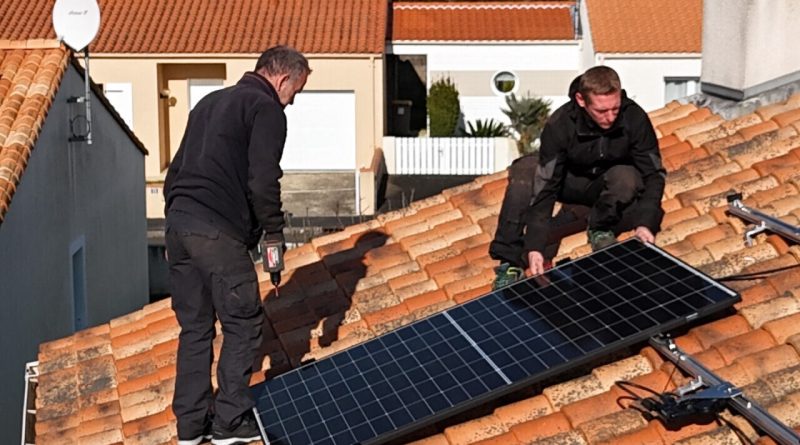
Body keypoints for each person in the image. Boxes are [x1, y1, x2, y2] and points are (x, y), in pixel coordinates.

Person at [164, 45, 310, 445]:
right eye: (294, 92)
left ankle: (191, 428)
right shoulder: (266, 110)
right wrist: (274, 234)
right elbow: (263, 180)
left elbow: (175, 171)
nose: (292, 101)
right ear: (282, 79)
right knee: (243, 320)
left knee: (194, 328)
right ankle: (229, 422)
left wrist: (178, 220)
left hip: (178, 225)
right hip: (215, 230)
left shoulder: (209, 103)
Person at [490, 66, 666, 289]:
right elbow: (546, 186)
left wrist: (645, 223)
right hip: (566, 182)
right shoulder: (560, 124)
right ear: (581, 100)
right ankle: (510, 260)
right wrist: (535, 246)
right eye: (602, 111)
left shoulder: (634, 117)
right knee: (526, 171)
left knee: (627, 176)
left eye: (615, 108)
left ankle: (600, 227)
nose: (610, 117)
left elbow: (653, 173)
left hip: (605, 186)